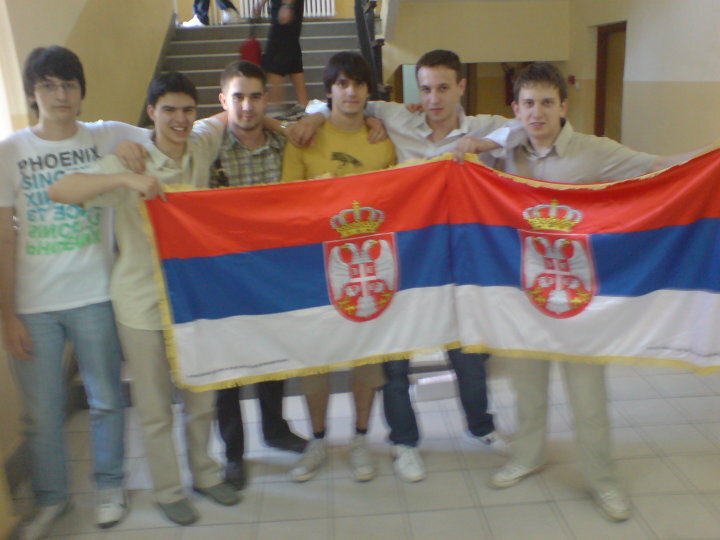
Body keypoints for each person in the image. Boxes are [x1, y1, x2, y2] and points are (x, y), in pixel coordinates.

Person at [464, 61, 707, 522]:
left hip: (579, 299)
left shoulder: (594, 152)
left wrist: (709, 158)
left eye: (547, 103)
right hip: (524, 296)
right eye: (528, 103)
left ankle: (604, 481)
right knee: (527, 388)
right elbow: (458, 163)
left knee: (588, 398)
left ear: (563, 106)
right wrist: (466, 148)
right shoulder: (504, 150)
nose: (537, 113)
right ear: (515, 108)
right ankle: (527, 456)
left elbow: (657, 166)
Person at [305, 49, 514, 483]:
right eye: (425, 89)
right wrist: (313, 115)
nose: (433, 99)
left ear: (461, 87)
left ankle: (480, 425)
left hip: (460, 262)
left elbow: (524, 127)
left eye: (443, 88)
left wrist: (484, 144)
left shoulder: (482, 126)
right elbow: (344, 102)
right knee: (395, 361)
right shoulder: (398, 118)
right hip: (405, 262)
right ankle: (404, 441)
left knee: (468, 355)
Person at [48, 72, 239, 526]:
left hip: (194, 301)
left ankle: (205, 474)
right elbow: (60, 189)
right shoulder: (130, 160)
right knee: (154, 410)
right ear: (151, 113)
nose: (179, 119)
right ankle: (169, 491)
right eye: (168, 110)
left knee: (201, 400)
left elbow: (229, 114)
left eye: (186, 110)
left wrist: (295, 121)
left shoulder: (200, 144)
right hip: (141, 304)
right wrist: (125, 179)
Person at [0, 46, 150, 538]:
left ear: (82, 92)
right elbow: (3, 237)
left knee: (107, 400)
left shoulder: (103, 135)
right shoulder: (10, 151)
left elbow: (177, 129)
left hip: (95, 295)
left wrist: (130, 152)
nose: (60, 95)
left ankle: (110, 486)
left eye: (68, 84)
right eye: (48, 85)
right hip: (33, 306)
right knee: (42, 415)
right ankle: (52, 500)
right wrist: (7, 314)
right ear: (33, 93)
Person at [280, 52, 395, 482]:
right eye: (342, 84)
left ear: (368, 91)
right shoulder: (304, 138)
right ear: (329, 90)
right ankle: (317, 441)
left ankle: (361, 439)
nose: (351, 92)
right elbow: (287, 203)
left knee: (367, 359)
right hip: (314, 266)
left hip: (368, 267)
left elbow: (396, 204)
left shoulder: (382, 141)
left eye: (358, 84)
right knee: (315, 360)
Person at [211, 59, 308, 490]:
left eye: (255, 97)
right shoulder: (207, 148)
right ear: (223, 100)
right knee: (228, 372)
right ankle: (233, 454)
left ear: (267, 99)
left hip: (273, 275)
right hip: (224, 278)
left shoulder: (286, 146)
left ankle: (275, 429)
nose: (247, 106)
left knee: (274, 356)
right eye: (238, 97)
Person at [254, 0, 309, 115]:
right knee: (293, 56)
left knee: (274, 61)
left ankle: (276, 110)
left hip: (285, 7)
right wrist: (261, 3)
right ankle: (303, 105)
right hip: (284, 7)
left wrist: (286, 5)